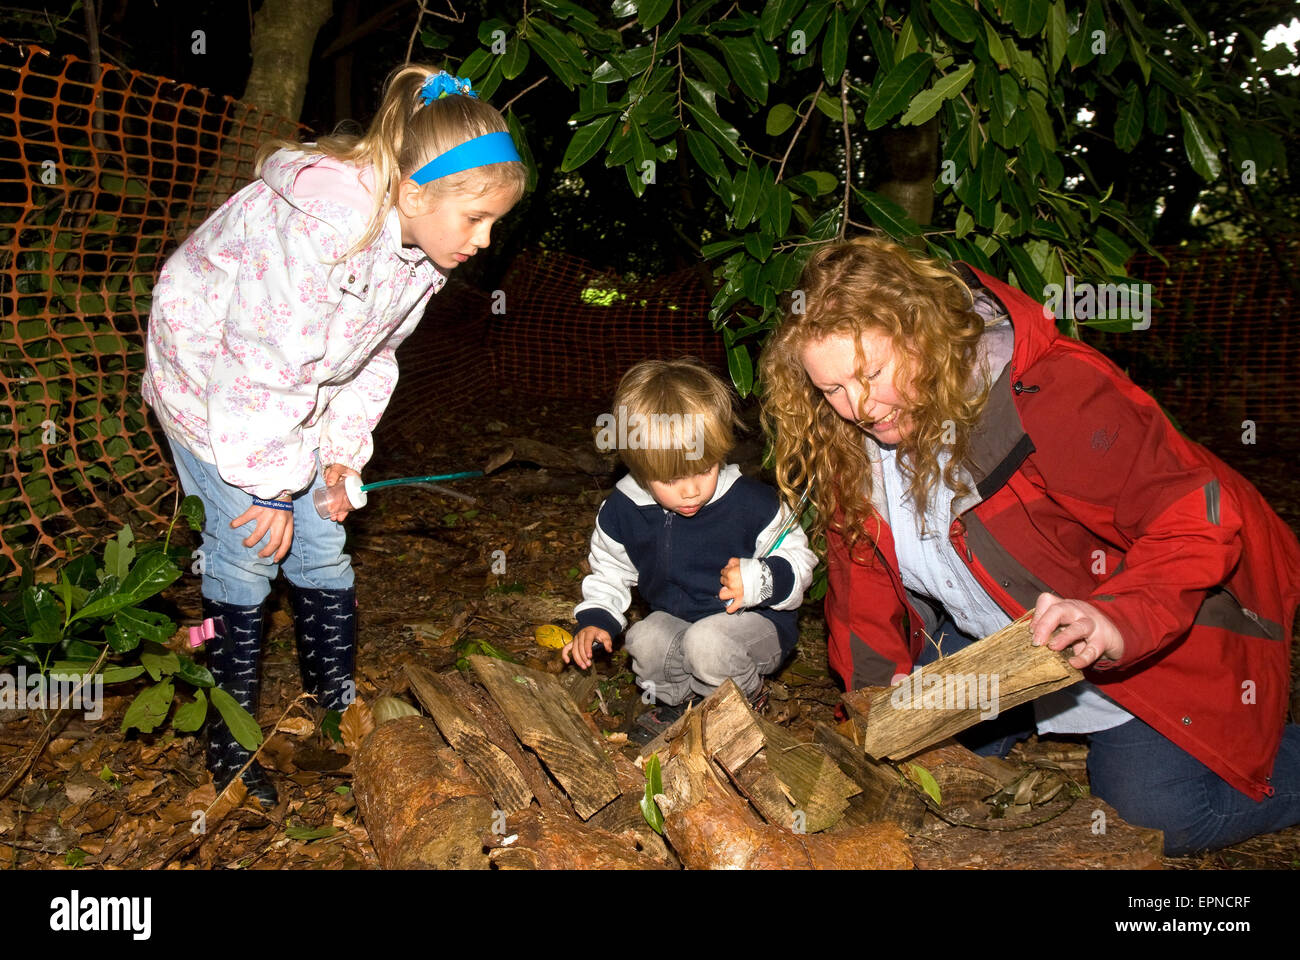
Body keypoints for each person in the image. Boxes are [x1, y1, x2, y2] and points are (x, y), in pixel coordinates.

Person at [759, 236, 1300, 856]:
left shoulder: (1054, 392)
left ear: (925, 333)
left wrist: (1119, 617)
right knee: (916, 758)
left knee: (1160, 816)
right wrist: (872, 714)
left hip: (1158, 621)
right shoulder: (848, 445)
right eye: (831, 388)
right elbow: (864, 599)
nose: (856, 407)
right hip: (1004, 631)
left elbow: (1197, 513)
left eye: (871, 374)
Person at [142, 67, 526, 804]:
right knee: (249, 555)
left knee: (323, 538)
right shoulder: (320, 229)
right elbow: (265, 362)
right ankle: (230, 743)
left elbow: (367, 356)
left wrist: (341, 456)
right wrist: (271, 488)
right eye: (475, 218)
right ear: (415, 194)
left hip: (293, 392)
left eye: (494, 224)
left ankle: (335, 704)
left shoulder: (417, 252)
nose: (484, 240)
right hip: (213, 385)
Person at [561, 359, 818, 743]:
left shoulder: (751, 503)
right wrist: (597, 619)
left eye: (704, 468)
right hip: (682, 622)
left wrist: (762, 578)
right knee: (645, 637)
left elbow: (800, 559)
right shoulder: (623, 511)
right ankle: (676, 706)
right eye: (670, 479)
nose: (691, 490)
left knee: (707, 642)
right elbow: (609, 572)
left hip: (755, 626)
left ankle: (747, 701)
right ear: (641, 468)